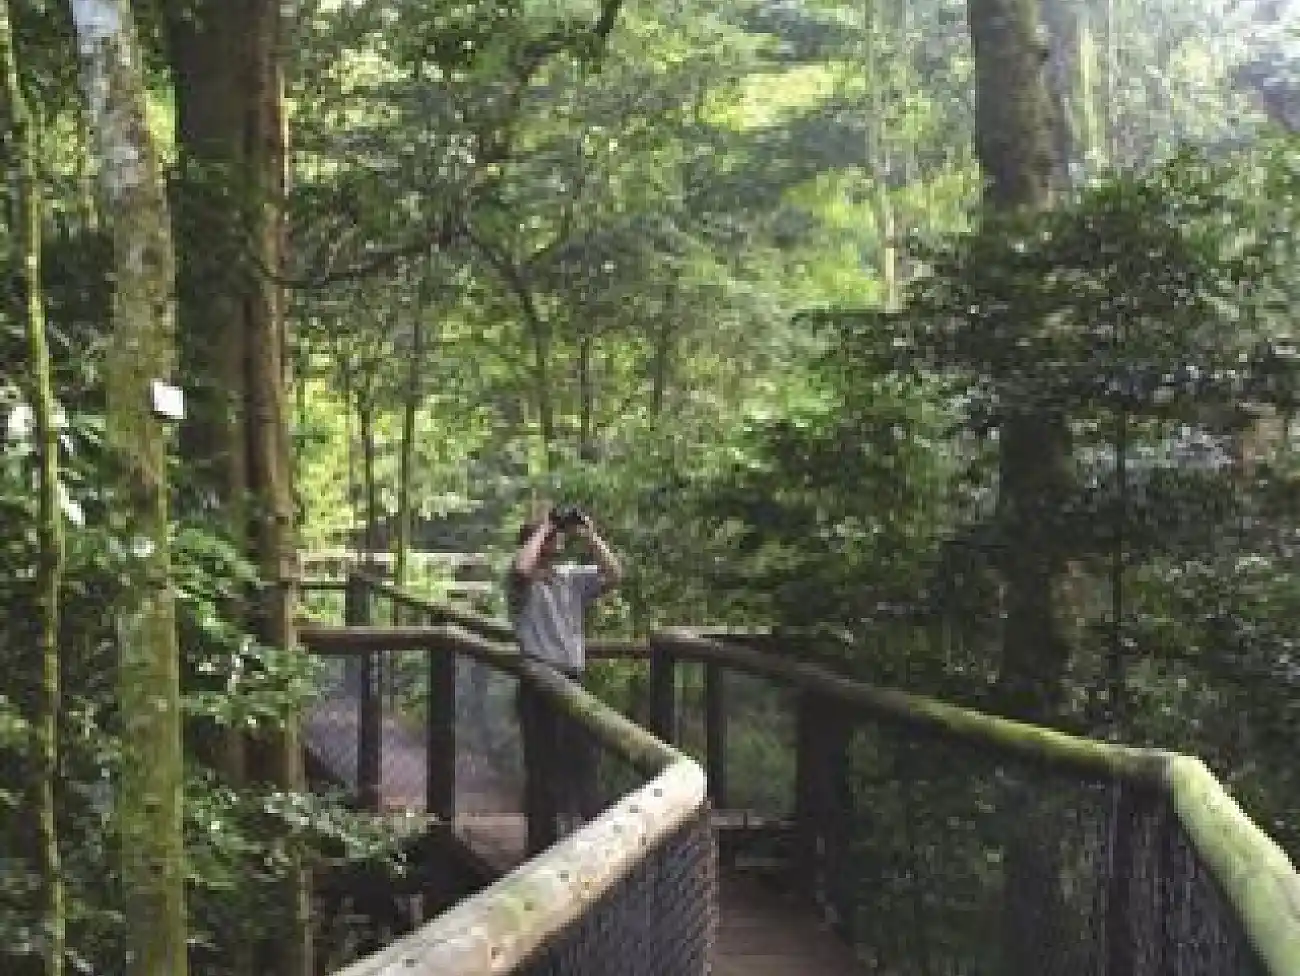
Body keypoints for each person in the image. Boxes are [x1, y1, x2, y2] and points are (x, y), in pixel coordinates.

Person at [506, 506, 622, 849]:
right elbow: (522, 567)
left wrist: (591, 537)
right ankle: (541, 847)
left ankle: (590, 845)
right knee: (542, 773)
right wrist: (543, 528)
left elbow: (615, 575)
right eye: (550, 536)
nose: (557, 539)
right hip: (539, 683)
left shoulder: (570, 577)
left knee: (583, 768)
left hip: (572, 683)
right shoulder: (520, 583)